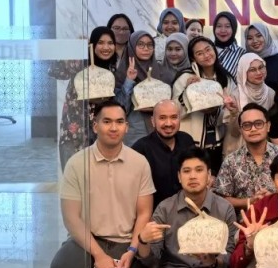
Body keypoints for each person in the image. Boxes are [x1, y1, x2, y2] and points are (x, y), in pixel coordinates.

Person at [49, 100, 153, 268]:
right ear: (95, 126)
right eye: (107, 122)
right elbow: (71, 218)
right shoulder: (77, 163)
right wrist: (98, 255)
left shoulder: (139, 162)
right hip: (88, 241)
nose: (114, 128)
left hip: (124, 242)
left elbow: (144, 213)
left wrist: (132, 250)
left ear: (126, 127)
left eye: (119, 122)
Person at [51, 26, 118, 169]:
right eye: (100, 42)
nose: (106, 47)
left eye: (110, 43)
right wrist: (77, 51)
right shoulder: (80, 64)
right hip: (74, 135)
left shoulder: (113, 69)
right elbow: (54, 70)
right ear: (92, 45)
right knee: (73, 178)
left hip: (102, 136)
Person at [174, 36, 238, 174]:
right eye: (200, 53)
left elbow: (231, 113)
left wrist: (223, 108)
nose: (206, 55)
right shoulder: (185, 77)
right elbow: (175, 110)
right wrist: (188, 92)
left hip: (218, 141)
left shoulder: (225, 78)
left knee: (214, 178)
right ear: (193, 58)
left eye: (208, 50)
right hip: (191, 142)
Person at [214, 103, 278, 210]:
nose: (253, 129)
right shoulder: (231, 161)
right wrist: (249, 201)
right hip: (244, 218)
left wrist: (275, 199)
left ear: (268, 126)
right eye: (247, 125)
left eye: (258, 124)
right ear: (240, 130)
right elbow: (221, 199)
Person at [114, 30, 176, 146]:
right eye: (141, 44)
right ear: (132, 47)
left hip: (162, 130)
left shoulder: (162, 71)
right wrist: (129, 80)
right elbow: (120, 108)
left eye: (149, 45)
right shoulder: (122, 73)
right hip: (134, 132)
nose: (146, 48)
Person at [132, 100, 196, 208]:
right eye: (162, 118)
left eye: (174, 117)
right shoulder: (140, 149)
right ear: (153, 121)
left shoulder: (187, 140)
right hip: (155, 213)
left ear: (179, 119)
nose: (168, 123)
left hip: (188, 208)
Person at [244, 23, 278, 93]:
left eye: (259, 36)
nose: (255, 41)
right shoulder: (244, 61)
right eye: (250, 38)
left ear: (266, 36)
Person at [212, 11, 246, 78]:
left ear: (234, 28)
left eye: (227, 26)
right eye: (219, 26)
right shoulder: (208, 51)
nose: (223, 30)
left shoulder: (242, 54)